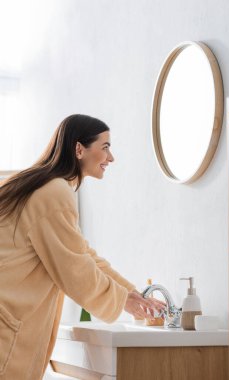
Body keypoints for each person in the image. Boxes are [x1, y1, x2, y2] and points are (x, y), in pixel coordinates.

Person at [0, 114, 165, 380]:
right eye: (106, 147)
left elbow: (82, 253)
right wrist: (123, 300)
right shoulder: (54, 193)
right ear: (79, 149)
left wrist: (130, 293)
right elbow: (76, 270)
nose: (111, 158)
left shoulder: (45, 186)